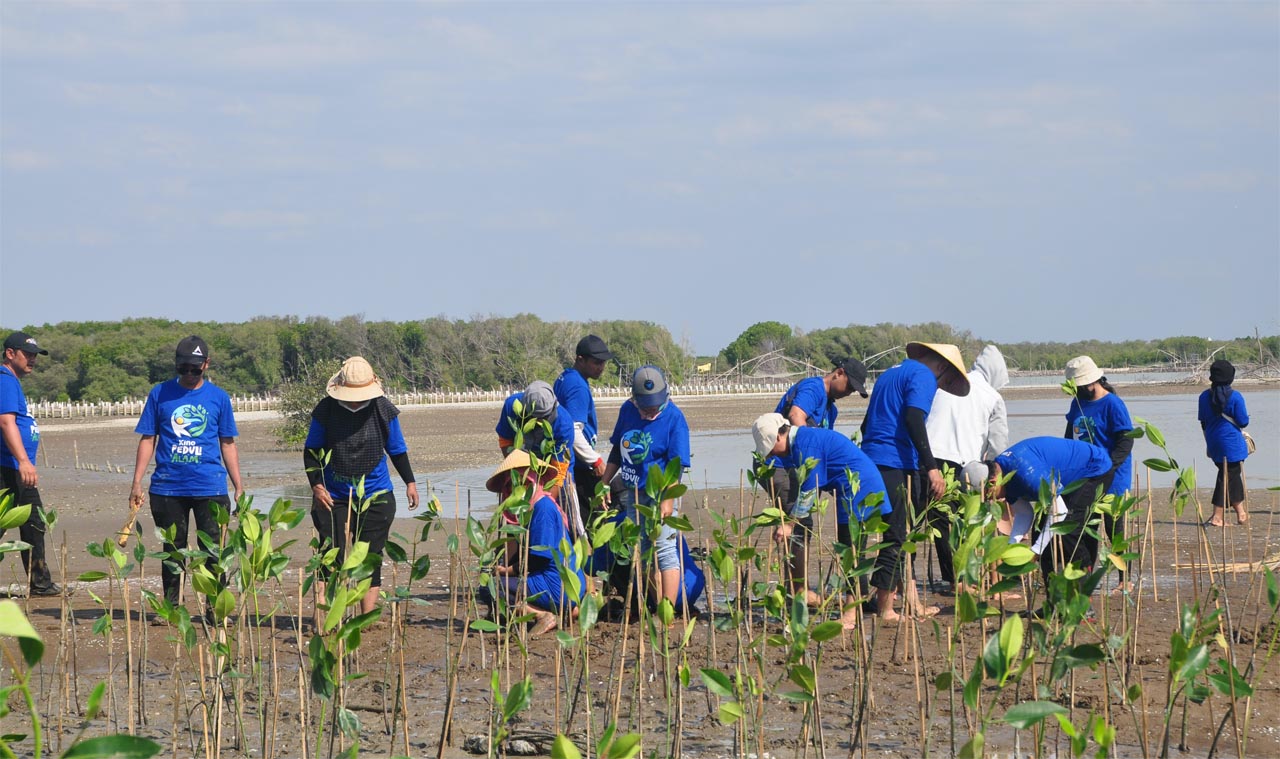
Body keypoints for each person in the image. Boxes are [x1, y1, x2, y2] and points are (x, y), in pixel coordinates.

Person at [859, 342, 969, 621]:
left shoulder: (890, 374)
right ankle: (885, 608)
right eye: (945, 381)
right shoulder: (923, 376)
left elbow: (865, 424)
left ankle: (910, 602)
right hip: (895, 462)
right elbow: (913, 418)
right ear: (941, 367)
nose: (940, 387)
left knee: (901, 534)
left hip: (873, 460)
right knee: (897, 535)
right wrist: (932, 468)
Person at [129, 336, 243, 607]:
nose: (190, 374)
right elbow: (148, 439)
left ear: (206, 364)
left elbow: (227, 443)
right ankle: (172, 607)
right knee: (173, 551)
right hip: (167, 488)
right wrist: (136, 482)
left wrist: (238, 486)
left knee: (213, 552)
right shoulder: (159, 393)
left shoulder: (219, 397)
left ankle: (215, 608)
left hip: (210, 487)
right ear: (176, 364)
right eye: (184, 368)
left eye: (196, 369)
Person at [304, 356, 419, 616]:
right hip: (333, 495)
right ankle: (326, 616)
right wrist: (317, 486)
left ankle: (366, 619)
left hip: (376, 493)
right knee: (330, 554)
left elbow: (397, 449)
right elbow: (311, 451)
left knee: (369, 556)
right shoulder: (326, 409)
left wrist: (410, 482)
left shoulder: (383, 408)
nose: (355, 401)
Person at [753, 412, 889, 629]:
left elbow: (809, 491)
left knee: (851, 552)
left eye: (769, 449)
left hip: (859, 489)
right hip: (851, 489)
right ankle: (856, 606)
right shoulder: (800, 442)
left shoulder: (806, 445)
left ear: (779, 436)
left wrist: (789, 524)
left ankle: (851, 615)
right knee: (850, 550)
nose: (770, 455)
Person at [601, 365, 690, 607]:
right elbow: (618, 450)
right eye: (646, 408)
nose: (650, 413)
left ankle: (667, 615)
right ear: (635, 399)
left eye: (655, 408)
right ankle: (656, 604)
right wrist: (604, 483)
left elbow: (676, 466)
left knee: (665, 550)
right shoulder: (627, 410)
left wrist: (668, 500)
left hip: (662, 491)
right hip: (634, 492)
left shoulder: (674, 418)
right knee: (641, 551)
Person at [924, 345, 1010, 589]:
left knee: (940, 521)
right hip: (965, 466)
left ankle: (954, 579)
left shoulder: (948, 383)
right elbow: (998, 445)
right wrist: (995, 476)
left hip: (929, 459)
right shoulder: (992, 396)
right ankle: (964, 578)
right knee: (965, 521)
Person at [977, 436, 1114, 581]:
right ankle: (1052, 594)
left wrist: (1035, 551)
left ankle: (1084, 586)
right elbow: (1024, 513)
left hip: (1094, 468)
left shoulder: (1028, 474)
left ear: (992, 482)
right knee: (1040, 536)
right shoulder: (1003, 475)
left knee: (1068, 530)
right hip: (1063, 480)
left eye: (987, 495)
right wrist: (1011, 546)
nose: (989, 500)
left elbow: (1059, 510)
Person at [486, 449, 585, 635]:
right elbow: (514, 548)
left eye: (523, 483)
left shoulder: (542, 508)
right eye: (512, 485)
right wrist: (499, 565)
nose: (515, 489)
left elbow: (539, 558)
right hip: (561, 583)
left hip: (558, 584)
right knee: (497, 582)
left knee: (490, 587)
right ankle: (567, 611)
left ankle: (542, 615)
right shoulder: (530, 508)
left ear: (533, 480)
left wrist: (506, 571)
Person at [1063, 355, 1134, 590]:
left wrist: (1108, 468)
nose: (1076, 390)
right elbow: (1069, 438)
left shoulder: (1113, 404)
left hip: (1113, 477)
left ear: (1092, 383)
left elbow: (1125, 441)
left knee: (1114, 529)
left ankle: (1125, 581)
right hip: (1085, 476)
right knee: (1086, 528)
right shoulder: (1077, 403)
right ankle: (1087, 578)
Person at [765, 358, 869, 510]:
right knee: (798, 516)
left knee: (804, 513)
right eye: (849, 386)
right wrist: (811, 455)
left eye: (853, 390)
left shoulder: (831, 410)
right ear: (839, 373)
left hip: (802, 468)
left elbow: (824, 444)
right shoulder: (814, 388)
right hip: (781, 464)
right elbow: (795, 415)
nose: (849, 392)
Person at [0, 332, 60, 597]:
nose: (32, 359)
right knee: (19, 521)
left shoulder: (11, 381)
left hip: (15, 467)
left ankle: (40, 582)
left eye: (35, 355)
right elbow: (6, 422)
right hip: (8, 467)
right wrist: (23, 461)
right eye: (27, 354)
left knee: (34, 522)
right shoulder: (4, 380)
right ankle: (40, 583)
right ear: (10, 353)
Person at [554, 335, 614, 530]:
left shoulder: (566, 377)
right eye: (596, 362)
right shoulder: (577, 386)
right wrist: (595, 460)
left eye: (603, 362)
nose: (601, 367)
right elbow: (572, 430)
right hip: (578, 468)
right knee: (590, 526)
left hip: (569, 463)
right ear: (580, 359)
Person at [496, 380, 575, 511]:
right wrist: (517, 472)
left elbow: (559, 473)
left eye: (543, 418)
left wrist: (540, 505)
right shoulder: (512, 406)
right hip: (524, 465)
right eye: (533, 417)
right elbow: (505, 440)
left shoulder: (563, 423)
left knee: (553, 513)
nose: (538, 422)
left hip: (555, 471)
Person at [1199, 359, 1251, 526]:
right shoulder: (1235, 396)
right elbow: (1243, 421)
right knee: (1227, 476)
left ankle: (1241, 513)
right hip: (1232, 444)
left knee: (1230, 475)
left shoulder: (1204, 397)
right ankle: (1217, 516)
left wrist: (1208, 442)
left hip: (1213, 441)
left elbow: (1203, 422)